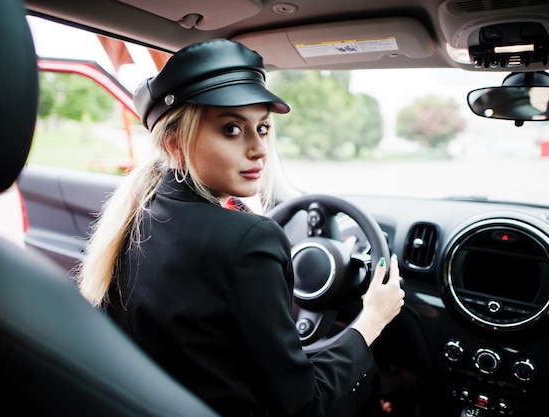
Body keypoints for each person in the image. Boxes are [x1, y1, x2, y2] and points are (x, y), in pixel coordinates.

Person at [76, 38, 405, 417]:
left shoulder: (135, 215)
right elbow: (303, 407)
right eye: (232, 129)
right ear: (174, 143)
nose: (259, 149)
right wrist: (371, 321)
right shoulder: (250, 240)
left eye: (262, 128)